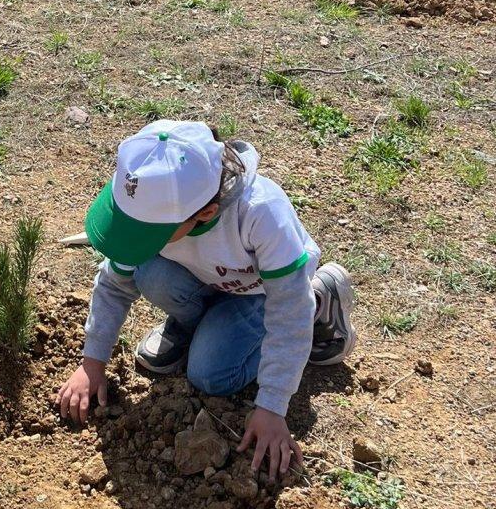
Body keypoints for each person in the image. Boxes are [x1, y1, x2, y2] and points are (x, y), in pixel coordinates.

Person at [55, 121, 357, 478]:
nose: (134, 235)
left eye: (146, 233)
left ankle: (320, 299)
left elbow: (287, 311)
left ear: (205, 214)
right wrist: (93, 362)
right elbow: (114, 283)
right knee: (150, 272)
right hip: (208, 278)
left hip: (260, 294)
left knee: (212, 375)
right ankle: (195, 327)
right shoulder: (153, 197)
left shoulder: (260, 214)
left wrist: (273, 405)